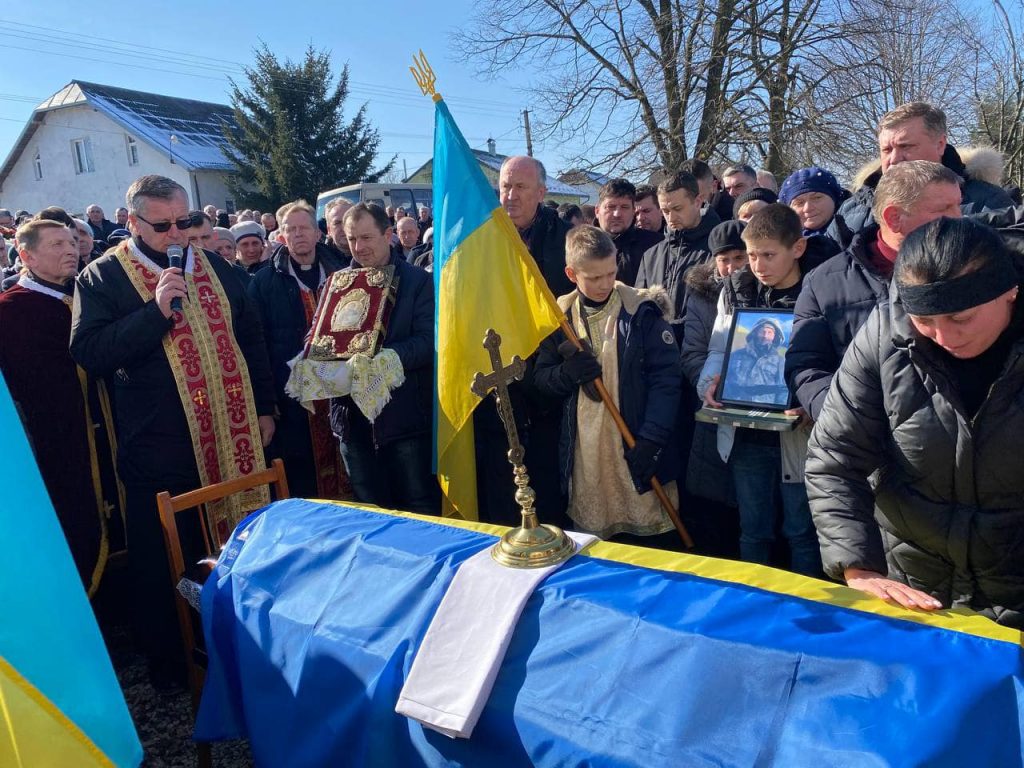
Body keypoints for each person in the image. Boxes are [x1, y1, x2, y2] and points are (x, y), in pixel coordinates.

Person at [70, 174, 276, 686]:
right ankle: (176, 665)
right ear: (132, 222)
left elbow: (251, 336)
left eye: (184, 221)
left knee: (233, 548)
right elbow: (89, 351)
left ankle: (244, 650)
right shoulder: (102, 276)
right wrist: (155, 313)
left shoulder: (216, 266)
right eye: (162, 226)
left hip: (230, 437)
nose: (177, 234)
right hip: (159, 450)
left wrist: (265, 408)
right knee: (167, 560)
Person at [805, 217, 1024, 627]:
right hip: (912, 591)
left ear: (1009, 290)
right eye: (924, 320)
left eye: (961, 318)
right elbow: (834, 457)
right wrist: (857, 566)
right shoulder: (884, 336)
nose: (944, 337)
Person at [532, 225, 680, 544]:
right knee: (597, 542)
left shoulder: (641, 311)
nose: (605, 284)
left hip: (636, 440)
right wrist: (568, 372)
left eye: (611, 273)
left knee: (649, 541)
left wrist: (652, 439)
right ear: (572, 274)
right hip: (586, 453)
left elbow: (666, 380)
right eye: (594, 277)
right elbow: (541, 379)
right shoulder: (559, 318)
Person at [0, 219, 123, 596]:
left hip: (111, 432)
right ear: (27, 256)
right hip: (56, 442)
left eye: (72, 242)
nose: (70, 250)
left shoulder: (91, 296)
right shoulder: (11, 311)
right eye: (57, 244)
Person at [698, 204, 821, 576]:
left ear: (797, 248)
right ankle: (755, 598)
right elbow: (719, 348)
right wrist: (711, 384)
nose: (758, 265)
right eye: (751, 256)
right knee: (753, 530)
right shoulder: (736, 288)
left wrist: (813, 403)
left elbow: (834, 359)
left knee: (802, 531)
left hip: (800, 435)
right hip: (747, 432)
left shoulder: (820, 288)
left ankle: (804, 602)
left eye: (768, 255)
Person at [786, 161, 962, 420]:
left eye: (958, 205)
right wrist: (847, 420)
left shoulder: (976, 266)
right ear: (894, 218)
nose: (959, 217)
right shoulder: (823, 283)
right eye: (944, 209)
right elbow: (807, 368)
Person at [329, 203, 437, 514]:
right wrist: (314, 356)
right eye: (352, 239)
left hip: (404, 418)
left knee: (418, 507)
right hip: (352, 420)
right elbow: (317, 334)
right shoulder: (337, 282)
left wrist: (385, 359)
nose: (358, 247)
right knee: (369, 509)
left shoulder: (417, 281)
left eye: (366, 237)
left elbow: (428, 340)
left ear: (388, 235)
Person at [248, 199, 349, 500]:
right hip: (293, 401)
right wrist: (266, 403)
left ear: (318, 233)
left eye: (304, 228)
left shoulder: (343, 273)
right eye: (290, 229)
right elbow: (257, 346)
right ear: (281, 236)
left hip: (343, 395)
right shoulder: (263, 282)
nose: (298, 234)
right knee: (303, 479)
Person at [830, 102, 1013, 246]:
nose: (894, 159)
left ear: (940, 144)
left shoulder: (989, 203)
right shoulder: (852, 210)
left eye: (906, 146)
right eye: (887, 150)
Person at [635, 171, 720, 341]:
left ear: (698, 201)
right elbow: (639, 307)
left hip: (702, 346)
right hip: (658, 349)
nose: (671, 217)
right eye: (665, 211)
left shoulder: (717, 251)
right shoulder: (651, 255)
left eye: (677, 209)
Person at [595, 178, 663, 285]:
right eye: (611, 207)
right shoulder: (582, 246)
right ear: (597, 211)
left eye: (624, 207)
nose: (617, 214)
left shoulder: (656, 246)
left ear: (633, 211)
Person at [777, 166, 844, 268]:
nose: (808, 208)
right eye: (799, 203)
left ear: (834, 198)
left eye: (816, 198)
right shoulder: (782, 244)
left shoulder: (855, 230)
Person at [323, 198, 354, 265]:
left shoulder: (372, 253)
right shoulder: (321, 261)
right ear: (329, 230)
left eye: (348, 221)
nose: (344, 227)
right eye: (337, 223)